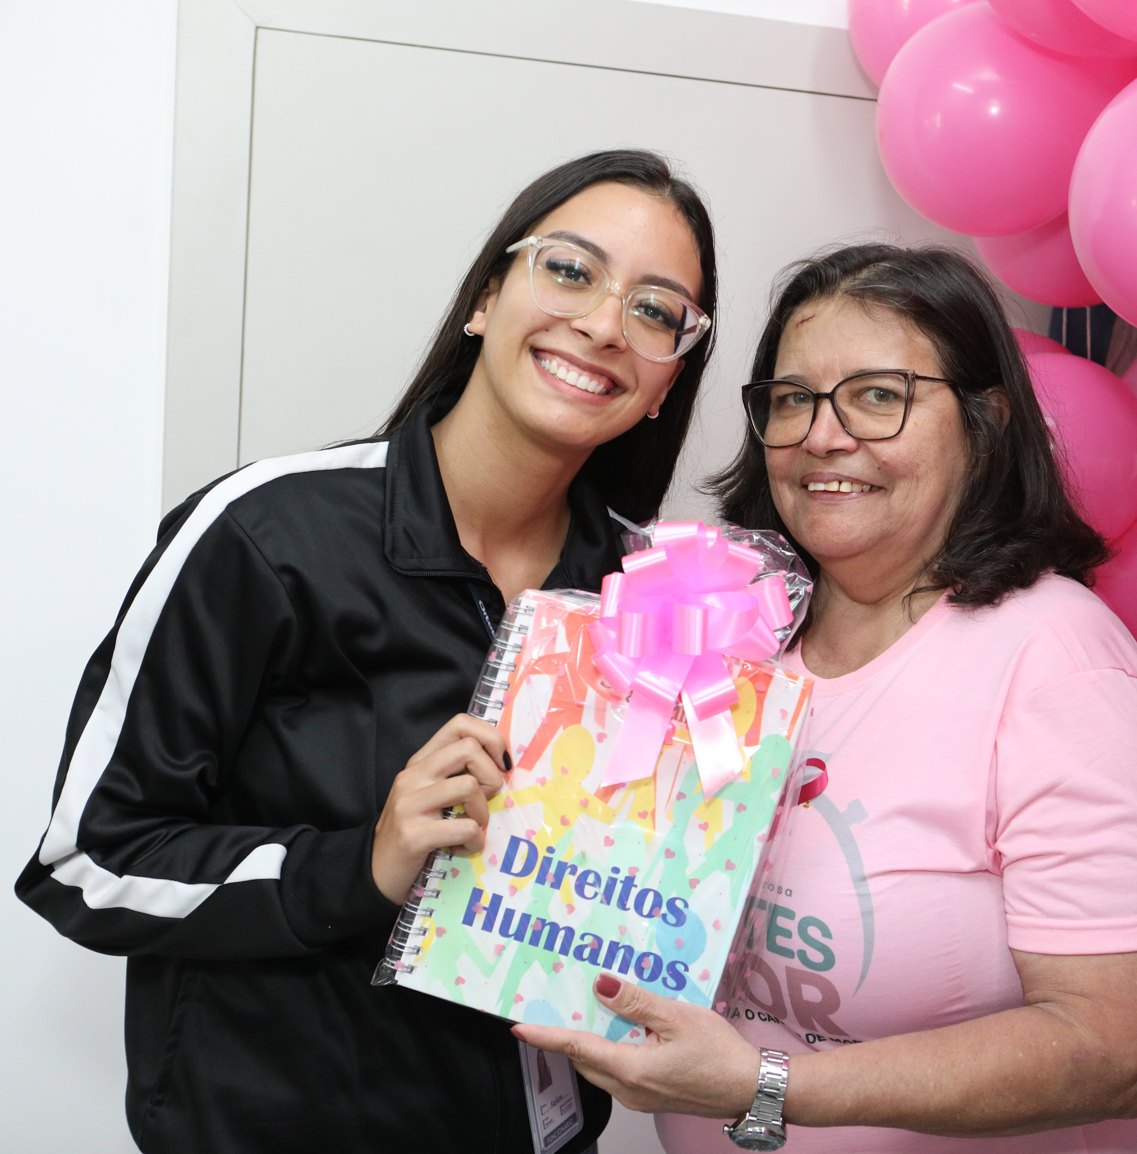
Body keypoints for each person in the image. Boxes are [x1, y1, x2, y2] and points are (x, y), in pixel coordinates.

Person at [15, 149, 718, 1154]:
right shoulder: (266, 536)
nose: (605, 323)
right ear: (486, 297)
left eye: (657, 310)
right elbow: (88, 858)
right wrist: (362, 862)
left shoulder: (649, 598)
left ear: (665, 382)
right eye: (569, 268)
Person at [514, 244, 1137, 1153]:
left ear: (983, 421)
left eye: (879, 396)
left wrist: (767, 1086)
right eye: (792, 400)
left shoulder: (1057, 658)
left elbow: (1111, 1051)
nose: (823, 436)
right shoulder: (733, 636)